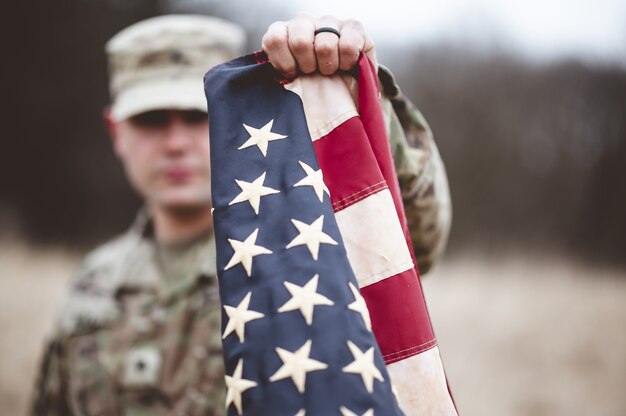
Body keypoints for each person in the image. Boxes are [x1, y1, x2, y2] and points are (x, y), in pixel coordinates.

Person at [31, 13, 451, 415]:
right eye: (151, 119)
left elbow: (416, 234)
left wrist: (356, 98)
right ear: (115, 131)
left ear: (236, 117)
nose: (175, 142)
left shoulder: (305, 245)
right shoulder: (91, 284)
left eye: (198, 116)